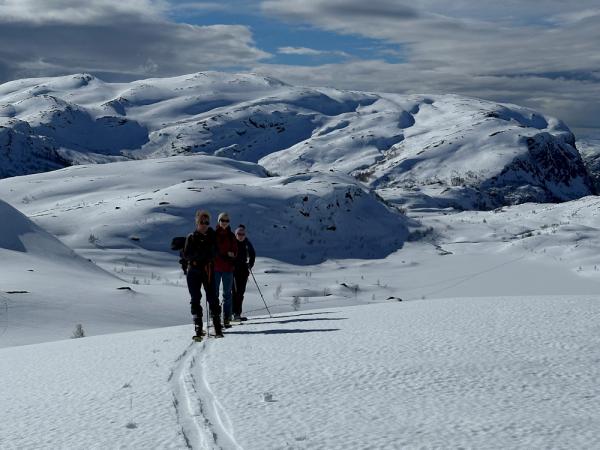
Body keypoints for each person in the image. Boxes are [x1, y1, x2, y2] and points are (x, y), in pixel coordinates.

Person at [183, 210, 223, 339]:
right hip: (194, 271)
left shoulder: (212, 236)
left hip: (208, 270)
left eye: (207, 222)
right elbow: (186, 254)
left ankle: (217, 326)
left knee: (212, 297)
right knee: (195, 298)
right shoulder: (191, 237)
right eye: (202, 222)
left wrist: (201, 255)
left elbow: (216, 252)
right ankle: (198, 328)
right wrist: (202, 255)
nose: (204, 224)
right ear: (197, 222)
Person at [214, 212, 237, 328]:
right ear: (218, 221)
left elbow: (235, 252)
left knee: (227, 294)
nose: (224, 222)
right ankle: (215, 318)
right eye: (222, 220)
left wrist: (231, 255)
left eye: (226, 221)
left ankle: (226, 318)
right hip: (215, 268)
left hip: (227, 269)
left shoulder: (232, 236)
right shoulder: (213, 235)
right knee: (214, 294)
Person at [232, 224, 255, 322]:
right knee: (234, 292)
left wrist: (250, 264)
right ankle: (232, 313)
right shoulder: (232, 242)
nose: (241, 235)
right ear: (236, 234)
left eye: (243, 234)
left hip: (243, 270)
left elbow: (253, 254)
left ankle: (237, 314)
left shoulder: (246, 242)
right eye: (239, 233)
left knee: (240, 292)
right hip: (233, 270)